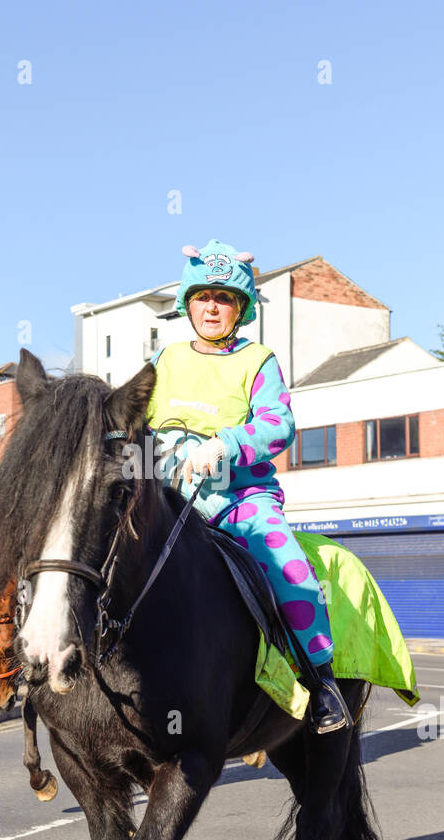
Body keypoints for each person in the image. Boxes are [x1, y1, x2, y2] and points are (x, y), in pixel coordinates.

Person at [145, 239, 351, 733]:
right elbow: (135, 420)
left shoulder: (258, 359)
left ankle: (321, 684)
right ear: (187, 304)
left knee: (291, 569)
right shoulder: (165, 360)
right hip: (169, 499)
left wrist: (227, 444)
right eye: (203, 297)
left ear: (241, 308)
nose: (212, 306)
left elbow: (279, 425)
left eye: (224, 298)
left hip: (239, 501)